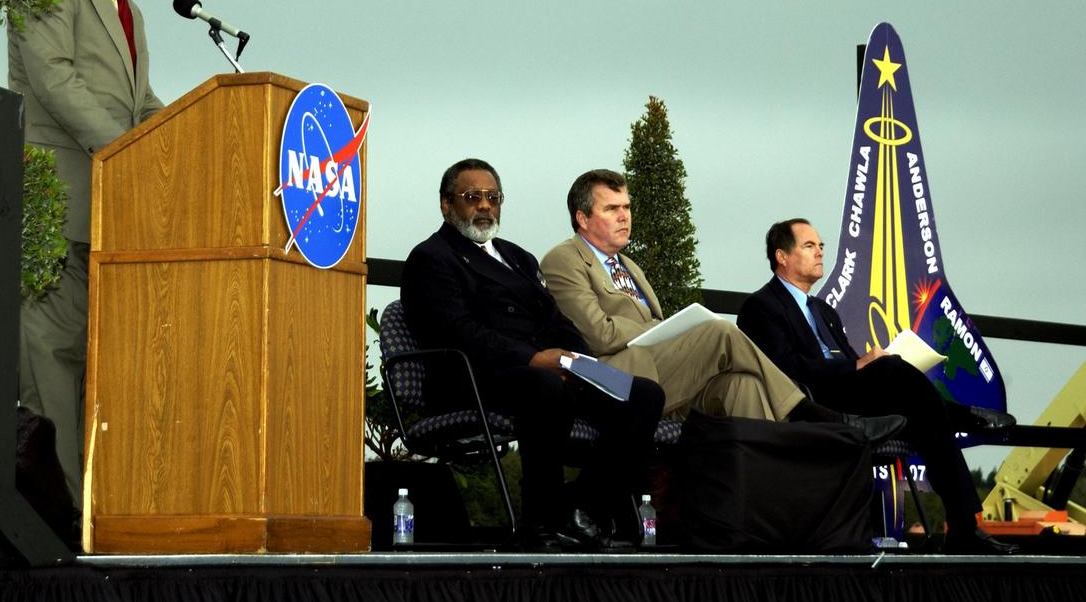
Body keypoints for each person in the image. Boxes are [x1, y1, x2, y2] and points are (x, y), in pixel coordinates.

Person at [7, 0, 174, 509]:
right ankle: (58, 524)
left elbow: (140, 101)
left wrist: (183, 142)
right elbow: (55, 81)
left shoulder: (131, 10)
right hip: (57, 204)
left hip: (109, 212)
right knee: (47, 360)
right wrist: (128, 153)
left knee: (84, 369)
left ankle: (89, 517)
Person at [400, 159, 667, 549]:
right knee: (545, 387)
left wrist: (576, 358)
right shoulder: (432, 257)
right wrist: (535, 358)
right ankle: (539, 521)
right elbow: (459, 331)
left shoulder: (518, 257)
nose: (485, 206)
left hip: (552, 365)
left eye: (493, 197)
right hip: (477, 373)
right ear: (446, 205)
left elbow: (555, 320)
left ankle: (580, 505)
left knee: (643, 394)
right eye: (472, 197)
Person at [737, 218, 1019, 555]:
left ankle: (962, 525)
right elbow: (785, 369)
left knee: (919, 407)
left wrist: (861, 365)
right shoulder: (761, 306)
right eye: (809, 246)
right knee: (899, 378)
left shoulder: (824, 311)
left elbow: (855, 366)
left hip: (853, 393)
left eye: (821, 246)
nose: (820, 253)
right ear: (782, 256)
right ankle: (962, 504)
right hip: (815, 401)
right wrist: (858, 365)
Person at [541, 169, 900, 433]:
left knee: (745, 387)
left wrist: (663, 331)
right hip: (616, 378)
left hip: (662, 372)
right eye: (612, 209)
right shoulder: (563, 260)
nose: (624, 216)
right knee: (718, 331)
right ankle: (817, 415)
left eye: (627, 207)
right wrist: (659, 331)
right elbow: (599, 335)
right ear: (583, 218)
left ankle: (763, 511)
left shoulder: (630, 266)